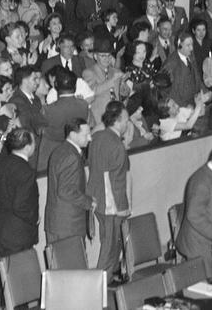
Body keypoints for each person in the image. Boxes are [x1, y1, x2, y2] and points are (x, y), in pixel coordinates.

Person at [88, 101, 132, 285]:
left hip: (95, 197)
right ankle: (99, 284)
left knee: (109, 240)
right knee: (109, 245)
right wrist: (123, 207)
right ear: (118, 121)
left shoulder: (97, 137)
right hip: (110, 202)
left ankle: (110, 277)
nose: (128, 124)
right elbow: (116, 180)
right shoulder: (116, 145)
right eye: (126, 121)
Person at [0, 128, 38, 260]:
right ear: (28, 147)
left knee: (8, 275)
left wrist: (2, 203)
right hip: (18, 232)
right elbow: (21, 206)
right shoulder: (26, 171)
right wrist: (34, 218)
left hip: (0, 228)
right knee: (22, 275)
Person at [45, 118, 94, 244]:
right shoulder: (71, 156)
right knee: (74, 262)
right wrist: (88, 201)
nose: (90, 138)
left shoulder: (60, 151)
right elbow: (65, 190)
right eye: (86, 135)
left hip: (59, 224)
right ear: (73, 134)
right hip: (69, 225)